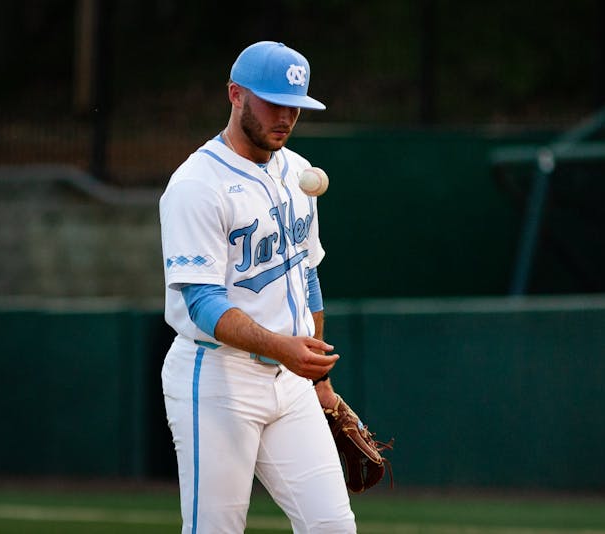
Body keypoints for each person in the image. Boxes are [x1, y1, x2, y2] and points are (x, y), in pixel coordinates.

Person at [159, 41, 356, 533]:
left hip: (289, 382)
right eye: (272, 102)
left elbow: (306, 273)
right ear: (235, 95)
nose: (286, 116)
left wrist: (319, 380)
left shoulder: (297, 171)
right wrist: (279, 347)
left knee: (333, 527)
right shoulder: (196, 185)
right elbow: (203, 303)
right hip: (216, 379)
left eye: (295, 106)